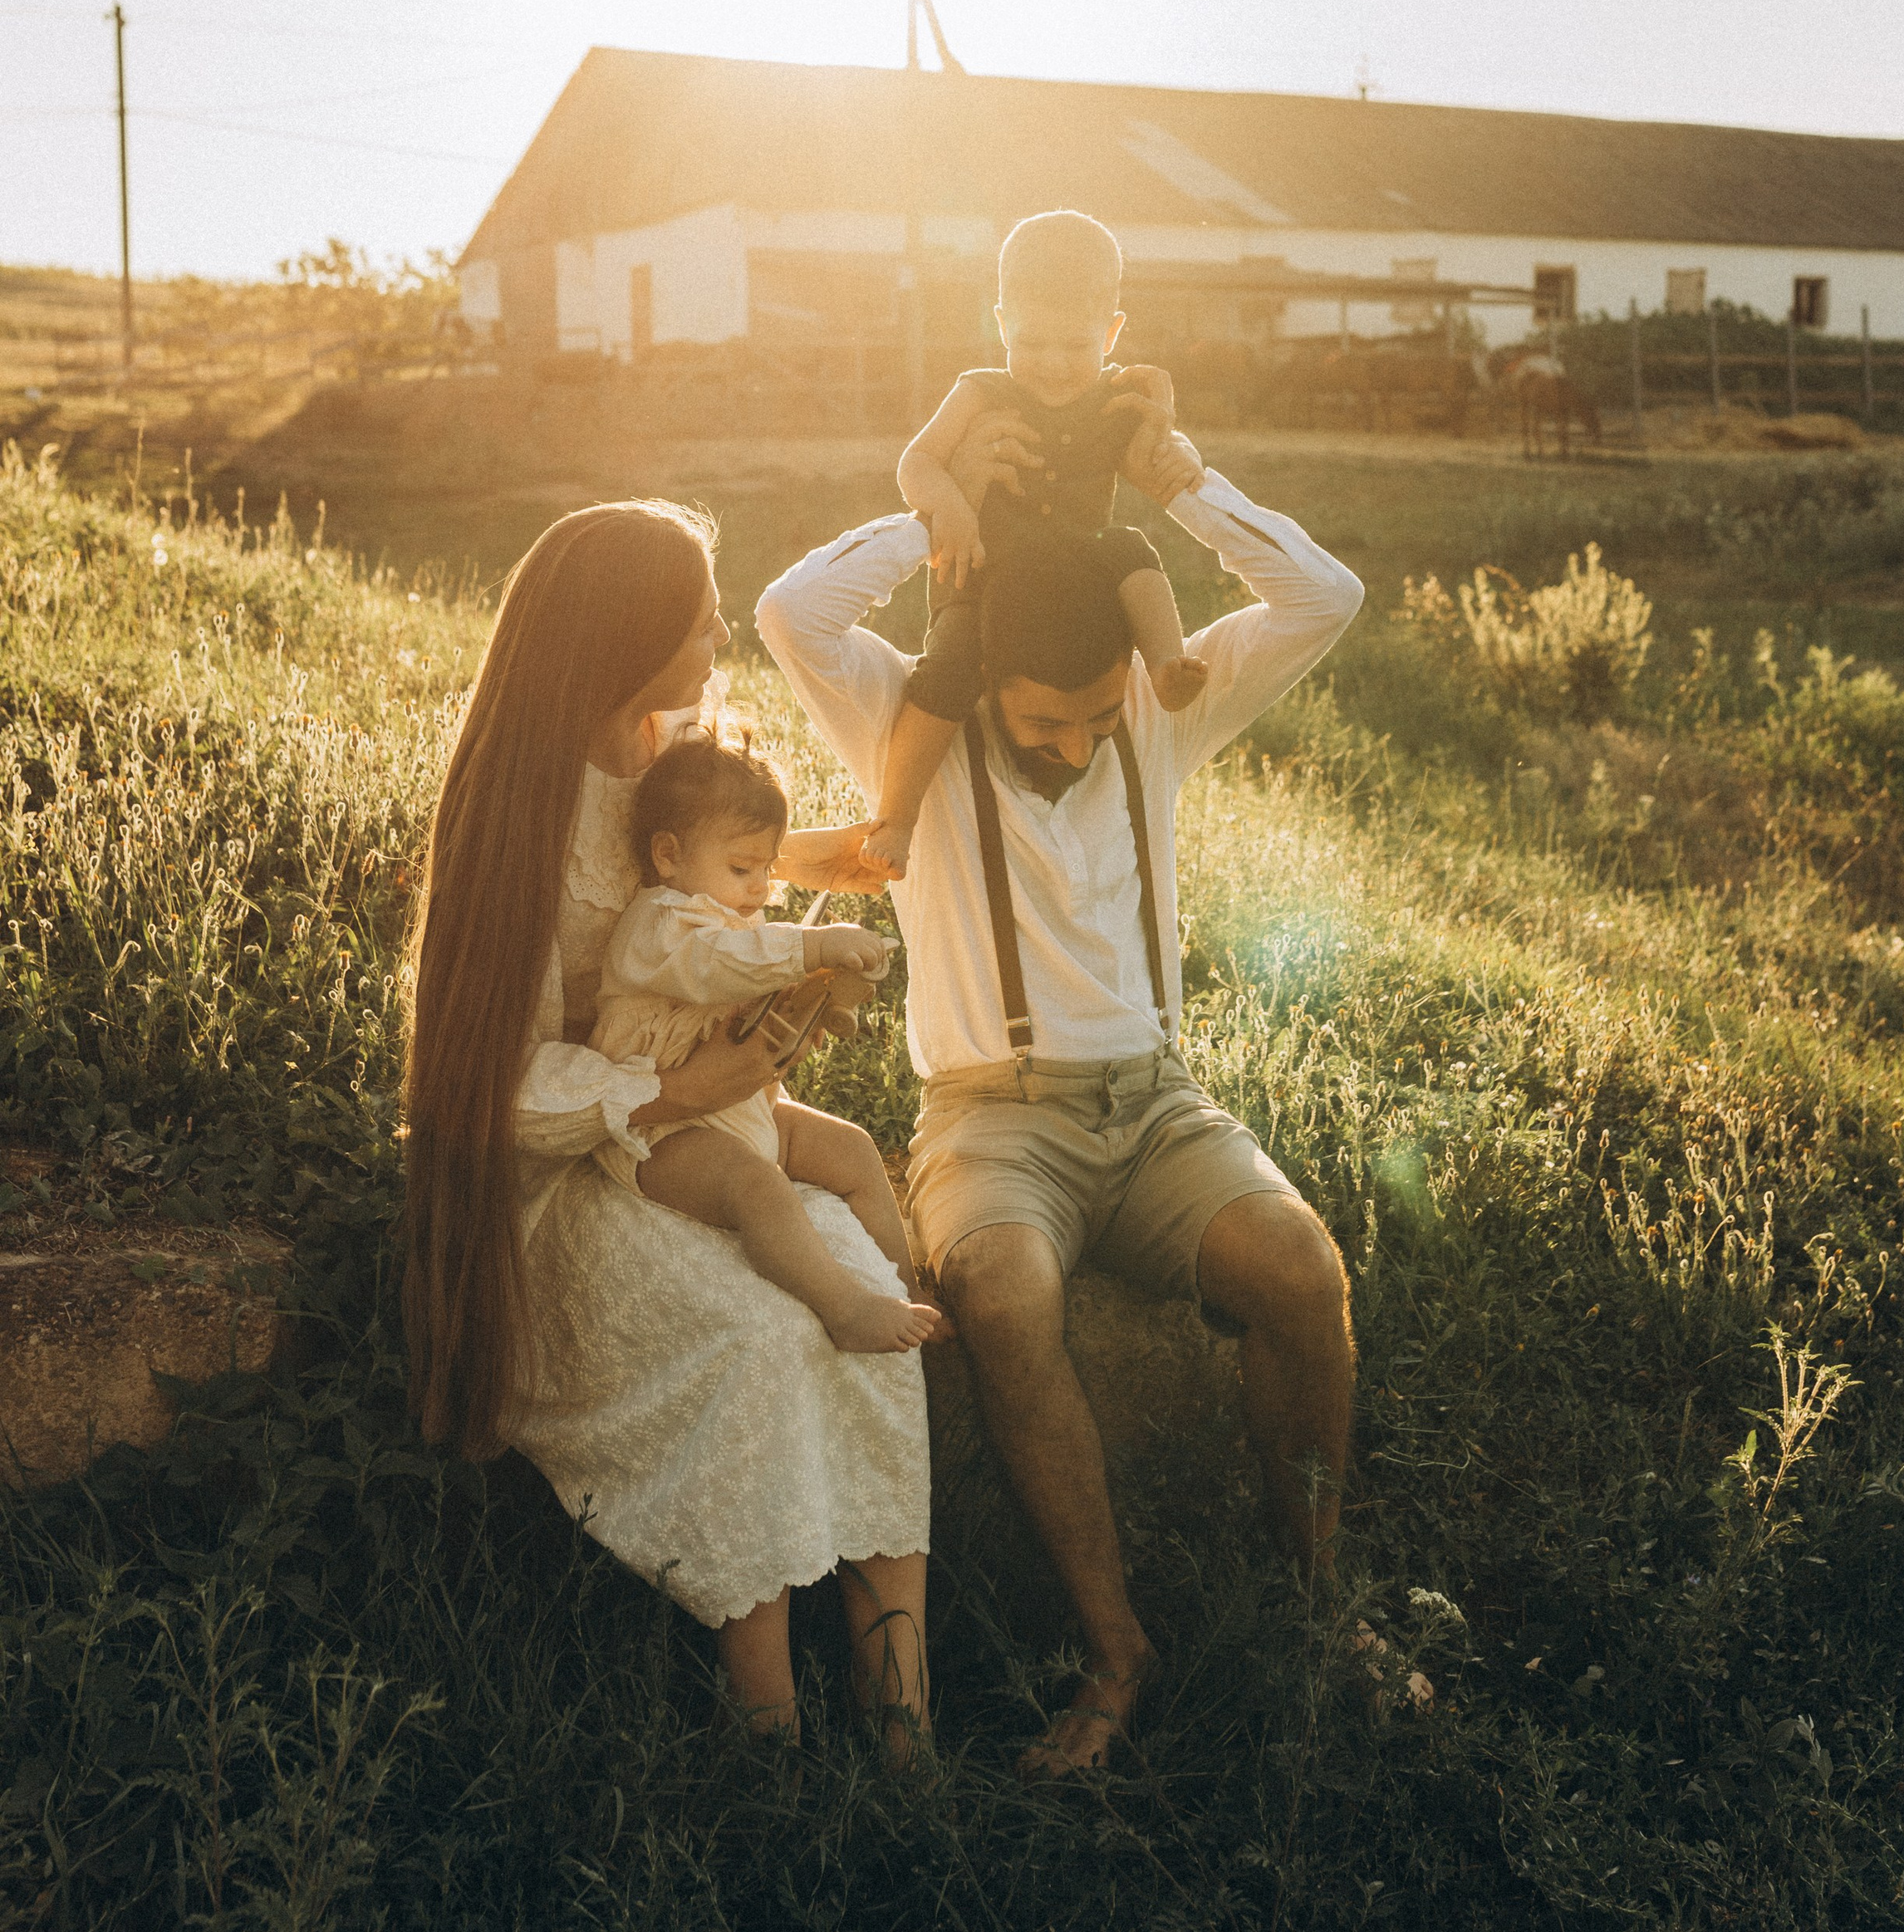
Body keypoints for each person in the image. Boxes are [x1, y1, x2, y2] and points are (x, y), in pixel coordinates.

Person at [758, 405, 1363, 1774]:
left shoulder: (1151, 710)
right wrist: (935, 504)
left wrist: (1184, 478)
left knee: (1300, 1267)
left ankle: (1316, 1603)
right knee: (1005, 1286)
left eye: (1102, 720)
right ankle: (1116, 1649)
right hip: (988, 1116)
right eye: (1051, 721)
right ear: (982, 691)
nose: (1086, 745)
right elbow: (792, 612)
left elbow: (1326, 594)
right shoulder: (906, 725)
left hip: (1159, 1108)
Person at [401, 500, 932, 1753]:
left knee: (866, 1313)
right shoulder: (518, 813)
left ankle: (899, 1710)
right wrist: (676, 1093)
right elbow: (496, 1091)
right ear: (623, 639)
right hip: (585, 1165)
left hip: (722, 1124)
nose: (713, 632)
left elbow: (699, 873)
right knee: (756, 1338)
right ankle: (768, 1733)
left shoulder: (679, 734)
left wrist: (798, 937)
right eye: (694, 616)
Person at [861, 210, 1207, 877]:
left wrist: (1176, 438)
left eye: (1075, 347)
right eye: (1032, 343)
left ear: (1111, 333)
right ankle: (898, 815)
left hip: (1079, 575)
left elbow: (1157, 452)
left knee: (1131, 547)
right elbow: (917, 461)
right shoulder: (980, 391)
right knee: (954, 665)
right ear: (1001, 326)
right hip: (986, 569)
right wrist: (951, 506)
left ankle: (1168, 666)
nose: (1052, 365)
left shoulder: (1115, 399)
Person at [591, 727, 940, 1354]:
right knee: (756, 1186)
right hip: (664, 1132)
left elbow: (754, 989)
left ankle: (913, 1292)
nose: (759, 888)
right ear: (668, 856)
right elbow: (722, 964)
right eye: (741, 868)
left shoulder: (730, 920)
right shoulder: (661, 926)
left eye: (768, 867)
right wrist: (811, 945)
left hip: (740, 1108)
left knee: (854, 1150)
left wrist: (819, 998)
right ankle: (845, 1307)